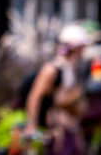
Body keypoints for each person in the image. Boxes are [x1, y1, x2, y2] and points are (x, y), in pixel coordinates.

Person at [24, 24, 92, 155]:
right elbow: (35, 96)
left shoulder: (75, 68)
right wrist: (32, 124)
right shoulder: (52, 69)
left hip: (71, 128)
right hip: (56, 130)